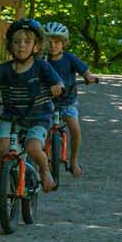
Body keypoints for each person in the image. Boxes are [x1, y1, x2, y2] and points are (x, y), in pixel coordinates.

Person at [0, 19, 64, 207]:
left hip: (38, 117)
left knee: (34, 148)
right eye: (17, 42)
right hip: (12, 116)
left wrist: (57, 87)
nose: (21, 46)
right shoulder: (4, 69)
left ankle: (45, 170)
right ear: (9, 45)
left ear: (36, 46)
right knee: (1, 150)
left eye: (27, 42)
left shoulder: (42, 67)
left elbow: (57, 82)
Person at [41, 22, 97, 176]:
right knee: (44, 131)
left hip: (67, 101)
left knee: (76, 131)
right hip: (48, 101)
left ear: (64, 43)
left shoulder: (69, 58)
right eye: (49, 42)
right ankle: (45, 160)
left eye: (57, 42)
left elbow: (85, 71)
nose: (53, 45)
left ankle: (73, 160)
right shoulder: (42, 61)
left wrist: (89, 77)